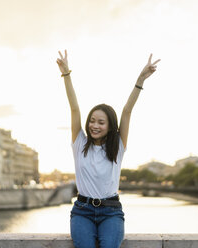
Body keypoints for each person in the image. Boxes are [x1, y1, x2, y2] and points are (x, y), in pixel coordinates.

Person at [56, 50, 160, 248]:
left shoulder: (118, 146)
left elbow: (127, 111)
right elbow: (74, 108)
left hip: (111, 212)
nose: (95, 125)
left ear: (110, 126)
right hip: (82, 211)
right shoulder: (79, 144)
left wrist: (141, 79)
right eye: (92, 121)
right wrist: (66, 74)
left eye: (101, 122)